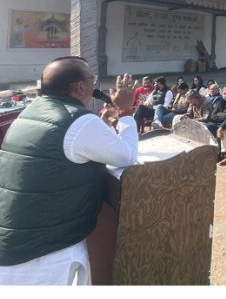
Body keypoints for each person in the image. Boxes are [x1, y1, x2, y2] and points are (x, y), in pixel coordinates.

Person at [0, 56, 139, 284]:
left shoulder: (29, 112)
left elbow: (64, 151)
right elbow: (126, 155)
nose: (94, 85)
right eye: (91, 79)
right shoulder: (78, 120)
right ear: (81, 86)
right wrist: (125, 111)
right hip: (44, 253)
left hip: (17, 238)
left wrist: (101, 124)